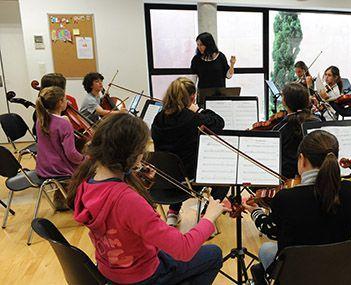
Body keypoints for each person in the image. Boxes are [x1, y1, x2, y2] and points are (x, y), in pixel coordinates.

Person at [67, 113, 228, 285]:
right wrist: (209, 217)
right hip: (142, 276)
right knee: (213, 254)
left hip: (110, 269)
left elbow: (120, 218)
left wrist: (140, 187)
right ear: (131, 155)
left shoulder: (85, 182)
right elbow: (184, 249)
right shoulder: (127, 200)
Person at [244, 130, 351, 274]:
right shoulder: (349, 189)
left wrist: (255, 211)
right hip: (338, 270)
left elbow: (270, 230)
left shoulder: (285, 198)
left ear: (302, 159)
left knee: (265, 249)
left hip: (297, 272)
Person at [152, 77, 225, 226]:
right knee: (224, 175)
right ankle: (207, 214)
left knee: (175, 165)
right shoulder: (192, 119)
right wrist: (197, 109)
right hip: (188, 183)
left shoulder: (158, 119)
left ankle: (173, 212)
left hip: (162, 182)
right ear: (192, 97)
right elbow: (219, 122)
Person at [35, 86, 85, 210]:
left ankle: (60, 199)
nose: (68, 102)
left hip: (43, 167)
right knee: (90, 164)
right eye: (65, 99)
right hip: (58, 168)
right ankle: (81, 202)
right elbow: (71, 154)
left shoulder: (40, 119)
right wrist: (85, 158)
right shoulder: (64, 123)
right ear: (59, 103)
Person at [271, 82, 320, 179]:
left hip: (286, 178)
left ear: (285, 102)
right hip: (314, 175)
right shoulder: (316, 121)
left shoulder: (280, 128)